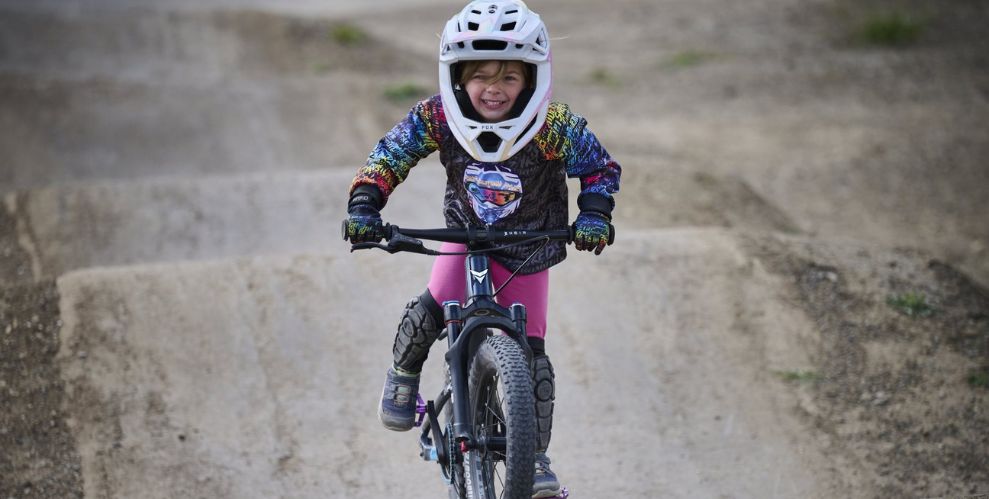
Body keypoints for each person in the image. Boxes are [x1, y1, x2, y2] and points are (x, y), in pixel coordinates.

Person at [343, 1, 620, 497]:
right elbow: (390, 154)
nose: (494, 88)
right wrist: (366, 204)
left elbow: (599, 168)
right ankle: (403, 372)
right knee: (432, 308)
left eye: (510, 77)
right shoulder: (438, 117)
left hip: (530, 248)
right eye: (480, 76)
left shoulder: (554, 124)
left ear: (534, 78)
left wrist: (595, 214)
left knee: (532, 357)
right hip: (464, 239)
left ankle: (533, 457)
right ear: (457, 76)